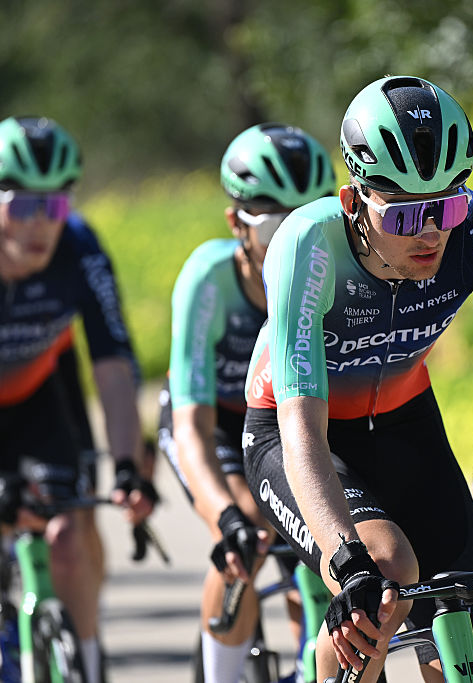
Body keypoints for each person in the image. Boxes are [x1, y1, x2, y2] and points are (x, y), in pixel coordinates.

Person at [241, 75, 473, 683]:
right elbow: (302, 435)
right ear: (352, 201)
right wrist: (346, 556)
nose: (431, 232)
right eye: (408, 212)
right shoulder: (306, 246)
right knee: (383, 573)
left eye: (447, 205)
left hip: (404, 420)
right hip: (297, 434)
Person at [0, 115, 157, 683]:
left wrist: (125, 466)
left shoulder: (80, 247)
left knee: (70, 535)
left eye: (57, 206)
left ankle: (89, 665)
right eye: (23, 207)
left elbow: (115, 369)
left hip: (33, 401)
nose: (41, 226)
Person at [156, 122, 336, 683]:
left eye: (314, 214)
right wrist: (225, 514)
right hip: (212, 423)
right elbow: (191, 421)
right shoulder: (208, 280)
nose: (299, 236)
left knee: (312, 543)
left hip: (286, 422)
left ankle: (309, 651)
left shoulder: (332, 269)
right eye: (280, 222)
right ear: (237, 222)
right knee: (248, 535)